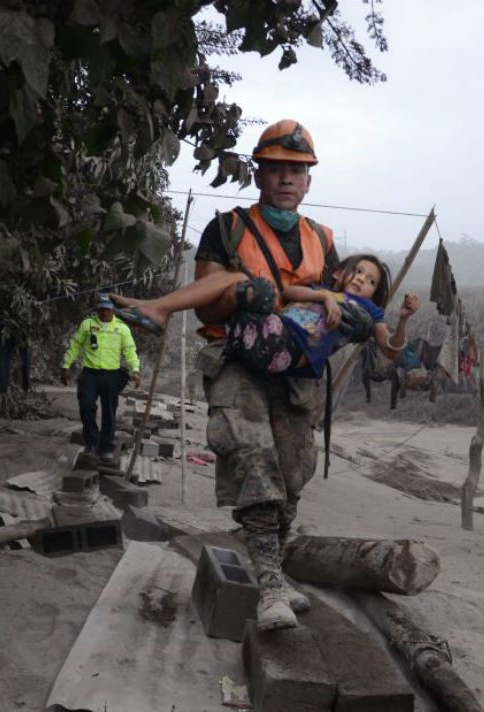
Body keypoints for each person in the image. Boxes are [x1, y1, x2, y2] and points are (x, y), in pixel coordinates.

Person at [193, 120, 415, 630]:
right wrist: (241, 295)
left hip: (297, 374)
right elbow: (206, 295)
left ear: (309, 181)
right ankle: (269, 583)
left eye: (297, 171)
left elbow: (338, 302)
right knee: (254, 460)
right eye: (277, 169)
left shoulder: (322, 239)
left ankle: (275, 566)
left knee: (293, 473)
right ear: (259, 173)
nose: (287, 179)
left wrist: (363, 318)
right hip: (237, 359)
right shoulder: (226, 227)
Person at [112, 253, 420, 377]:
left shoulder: (369, 310)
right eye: (359, 271)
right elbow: (289, 294)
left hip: (287, 350)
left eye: (371, 282)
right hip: (266, 334)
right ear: (339, 272)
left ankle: (159, 309)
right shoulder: (322, 291)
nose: (362, 280)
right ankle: (160, 309)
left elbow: (390, 349)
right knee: (239, 282)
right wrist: (325, 295)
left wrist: (404, 318)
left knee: (240, 283)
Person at [60, 294, 142, 464]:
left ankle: (105, 448)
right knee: (86, 406)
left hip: (111, 376)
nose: (104, 312)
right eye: (101, 309)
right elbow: (75, 345)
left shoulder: (121, 329)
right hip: (90, 374)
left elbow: (129, 351)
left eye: (107, 309)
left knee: (109, 412)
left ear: (113, 310)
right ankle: (91, 443)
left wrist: (135, 370)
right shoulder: (88, 325)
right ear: (97, 308)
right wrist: (66, 365)